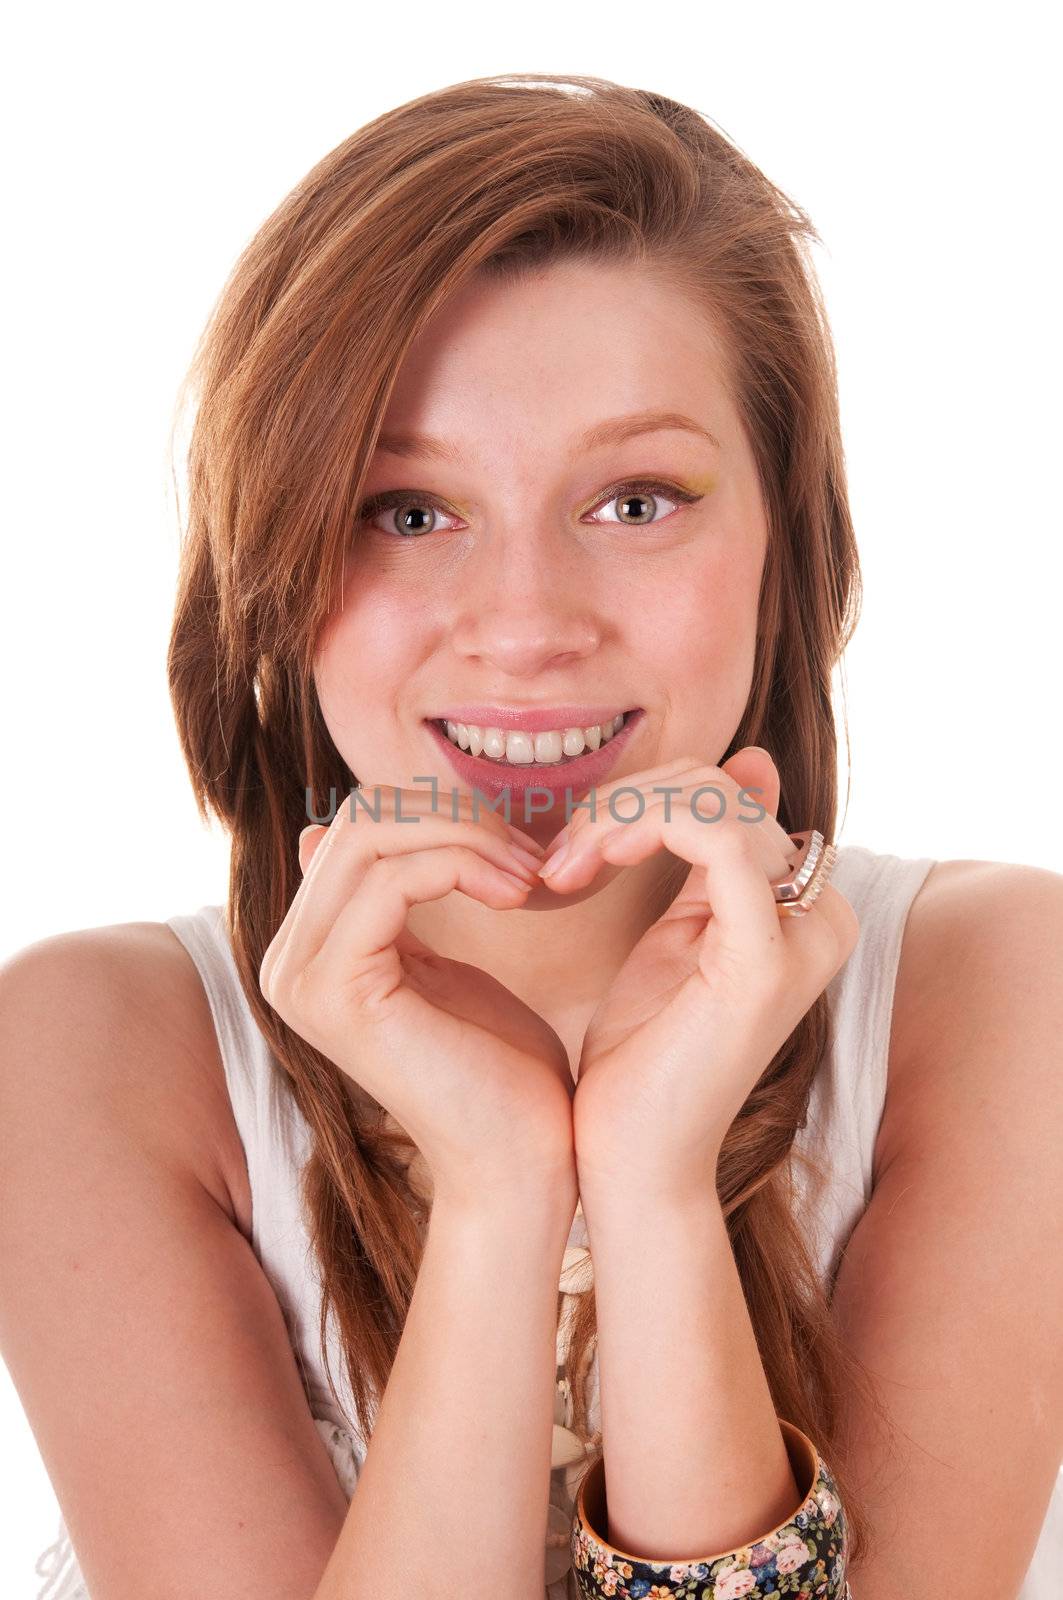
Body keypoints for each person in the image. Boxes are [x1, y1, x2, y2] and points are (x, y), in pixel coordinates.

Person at [2, 71, 1061, 1600]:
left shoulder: (1002, 986)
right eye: (408, 512)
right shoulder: (97, 1048)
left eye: (634, 501)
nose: (524, 629)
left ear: (789, 536)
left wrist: (650, 1180)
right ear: (276, 559)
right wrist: (500, 1185)